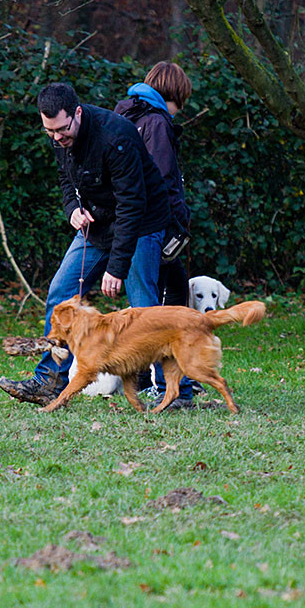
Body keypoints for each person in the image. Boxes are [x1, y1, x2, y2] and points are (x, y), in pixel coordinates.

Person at [0, 83, 171, 405]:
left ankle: (168, 388)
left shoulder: (116, 137)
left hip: (141, 223)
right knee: (60, 292)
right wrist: (72, 210)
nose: (57, 138)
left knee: (143, 307)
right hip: (97, 223)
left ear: (77, 113)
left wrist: (117, 267)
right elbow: (67, 180)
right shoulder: (59, 136)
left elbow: (132, 205)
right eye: (50, 132)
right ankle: (49, 381)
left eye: (62, 130)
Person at [114, 61, 198, 409]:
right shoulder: (158, 122)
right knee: (153, 311)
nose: (180, 111)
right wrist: (178, 224)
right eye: (181, 101)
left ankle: (177, 383)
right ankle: (171, 386)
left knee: (163, 299)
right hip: (151, 225)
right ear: (174, 94)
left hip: (128, 223)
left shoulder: (126, 117)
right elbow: (163, 179)